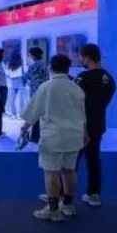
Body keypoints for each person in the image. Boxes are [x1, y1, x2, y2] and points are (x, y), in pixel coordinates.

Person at [21, 54, 85, 222]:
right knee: (69, 170)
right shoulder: (76, 88)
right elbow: (82, 114)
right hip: (75, 135)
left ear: (51, 68)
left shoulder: (47, 87)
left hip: (53, 136)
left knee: (51, 171)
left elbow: (33, 110)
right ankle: (68, 205)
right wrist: (85, 133)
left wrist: (24, 129)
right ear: (68, 69)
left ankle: (53, 209)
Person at [74, 44, 116, 208]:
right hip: (97, 123)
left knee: (71, 162)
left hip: (79, 124)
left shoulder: (82, 78)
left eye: (81, 56)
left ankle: (64, 195)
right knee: (93, 159)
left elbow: (74, 101)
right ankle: (94, 194)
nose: (80, 59)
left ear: (87, 57)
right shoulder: (109, 79)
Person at [24, 47, 50, 143]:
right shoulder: (44, 65)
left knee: (35, 114)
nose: (29, 56)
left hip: (35, 92)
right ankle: (41, 135)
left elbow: (27, 77)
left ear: (33, 55)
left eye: (30, 54)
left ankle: (35, 136)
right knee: (42, 114)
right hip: (45, 91)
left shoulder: (33, 66)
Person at [6, 52, 25, 118]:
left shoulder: (9, 62)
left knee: (12, 99)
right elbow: (22, 72)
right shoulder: (21, 61)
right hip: (20, 80)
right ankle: (20, 114)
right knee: (20, 99)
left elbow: (8, 74)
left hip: (12, 80)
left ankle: (13, 114)